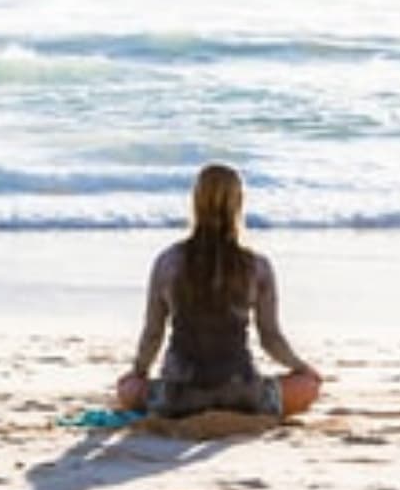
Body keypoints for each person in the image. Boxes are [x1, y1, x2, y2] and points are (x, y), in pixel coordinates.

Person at [117, 163, 322, 420]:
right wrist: (301, 368)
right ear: (238, 204)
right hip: (242, 394)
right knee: (308, 385)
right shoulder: (257, 266)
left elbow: (153, 334)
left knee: (126, 389)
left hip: (178, 397)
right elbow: (270, 338)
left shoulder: (168, 261)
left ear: (195, 201)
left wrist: (138, 372)